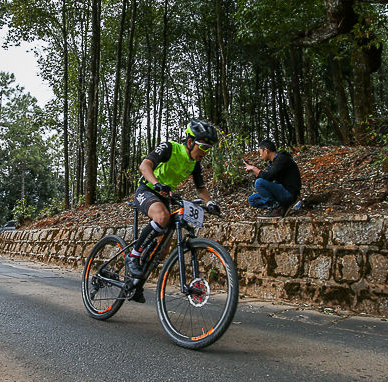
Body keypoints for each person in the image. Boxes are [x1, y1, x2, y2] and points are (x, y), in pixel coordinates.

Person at [125, 119, 221, 303]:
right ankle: (133, 256)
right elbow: (144, 166)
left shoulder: (194, 163)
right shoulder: (170, 148)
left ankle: (136, 282)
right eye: (203, 147)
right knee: (162, 216)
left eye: (209, 148)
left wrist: (210, 204)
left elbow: (201, 190)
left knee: (162, 252)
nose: (205, 152)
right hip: (146, 190)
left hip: (164, 196)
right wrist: (156, 183)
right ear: (191, 142)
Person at [244, 139, 301, 217]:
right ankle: (280, 206)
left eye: (261, 152)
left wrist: (254, 168)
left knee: (259, 182)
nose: (260, 155)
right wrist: (253, 170)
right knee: (252, 200)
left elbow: (268, 176)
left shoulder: (282, 158)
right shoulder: (273, 162)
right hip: (281, 192)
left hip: (289, 194)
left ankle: (275, 209)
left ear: (266, 150)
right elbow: (267, 178)